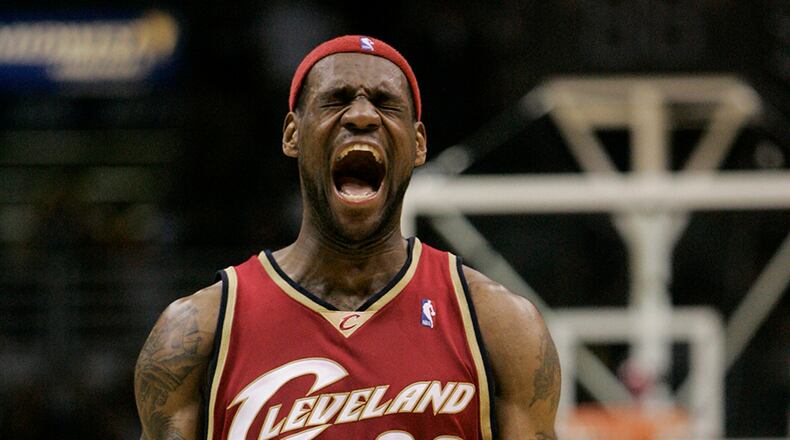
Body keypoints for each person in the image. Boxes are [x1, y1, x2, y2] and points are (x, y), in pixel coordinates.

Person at [134, 35, 560, 440]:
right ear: (292, 134)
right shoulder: (198, 331)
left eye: (385, 104)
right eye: (336, 100)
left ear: (417, 144)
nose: (361, 116)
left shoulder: (499, 325)